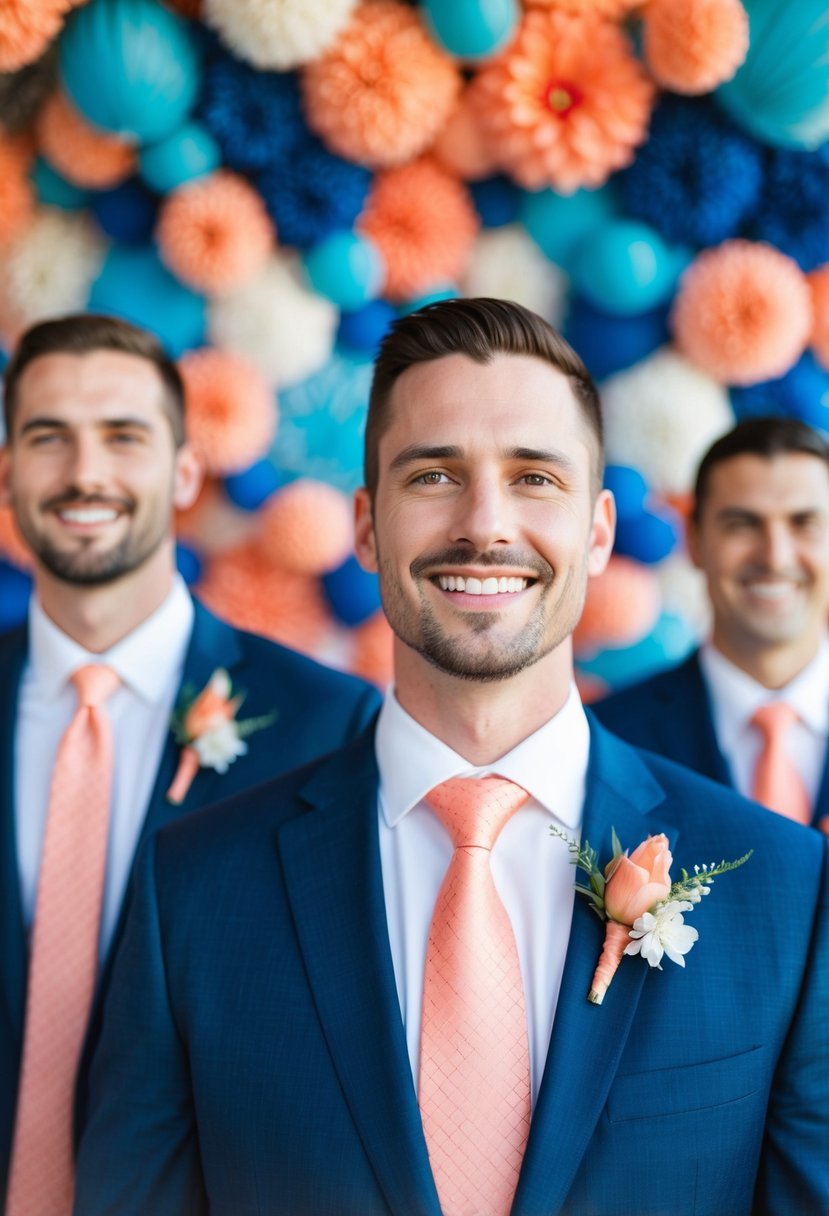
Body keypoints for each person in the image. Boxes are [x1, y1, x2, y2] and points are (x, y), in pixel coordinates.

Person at [75, 301, 828, 1216]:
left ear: (597, 532)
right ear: (365, 527)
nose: (484, 523)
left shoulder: (788, 891)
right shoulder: (190, 889)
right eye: (433, 474)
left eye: (533, 478)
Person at [0, 313, 381, 1215]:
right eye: (48, 437)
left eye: (123, 437)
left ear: (182, 470)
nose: (85, 473)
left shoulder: (327, 727)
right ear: (9, 470)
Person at [594, 417, 829, 831]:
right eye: (742, 524)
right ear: (696, 539)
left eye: (803, 523)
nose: (775, 557)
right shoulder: (608, 741)